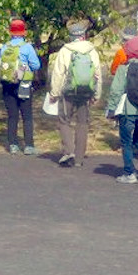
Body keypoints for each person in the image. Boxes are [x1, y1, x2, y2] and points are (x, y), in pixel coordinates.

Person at [105, 36, 138, 184]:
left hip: (128, 111)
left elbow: (116, 90)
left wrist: (111, 109)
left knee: (126, 142)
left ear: (127, 52)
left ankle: (130, 173)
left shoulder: (123, 68)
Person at [48, 21, 102, 167]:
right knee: (82, 123)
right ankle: (79, 158)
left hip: (68, 92)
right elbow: (97, 74)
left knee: (64, 120)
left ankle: (69, 152)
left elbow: (58, 74)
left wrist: (54, 93)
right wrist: (96, 94)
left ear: (71, 36)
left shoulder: (65, 50)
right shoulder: (92, 51)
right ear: (84, 35)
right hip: (86, 93)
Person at [0, 19, 42, 155]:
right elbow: (36, 65)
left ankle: (13, 145)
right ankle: (29, 146)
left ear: (10, 32)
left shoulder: (4, 47)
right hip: (23, 84)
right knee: (26, 116)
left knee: (12, 116)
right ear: (24, 32)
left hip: (7, 84)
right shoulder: (27, 47)